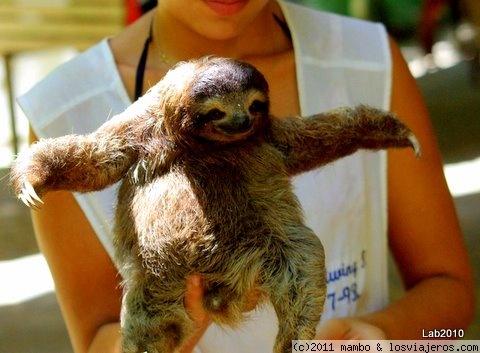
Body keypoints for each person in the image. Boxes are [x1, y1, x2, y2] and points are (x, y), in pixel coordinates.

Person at [17, 1, 474, 352]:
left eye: (253, 110)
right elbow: (94, 158)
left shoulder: (369, 62)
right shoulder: (69, 111)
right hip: (163, 291)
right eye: (218, 114)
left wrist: (387, 336)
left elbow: (454, 305)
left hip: (274, 259)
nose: (239, 122)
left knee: (301, 257)